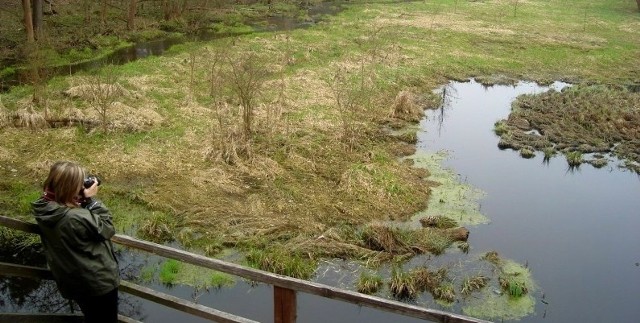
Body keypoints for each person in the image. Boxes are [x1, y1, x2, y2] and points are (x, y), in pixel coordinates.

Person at [32, 161, 119, 323]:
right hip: (97, 282)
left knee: (91, 316)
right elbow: (107, 228)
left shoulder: (44, 206)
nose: (82, 186)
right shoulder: (75, 217)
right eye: (78, 183)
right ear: (69, 188)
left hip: (73, 280)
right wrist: (90, 201)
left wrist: (77, 196)